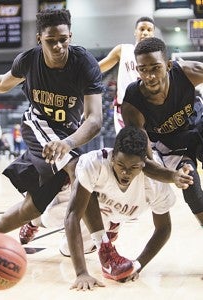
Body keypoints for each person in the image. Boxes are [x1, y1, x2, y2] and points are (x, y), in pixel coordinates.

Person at [0, 9, 104, 260]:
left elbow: (95, 119)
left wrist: (68, 141)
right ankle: (106, 250)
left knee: (32, 207)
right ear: (40, 39)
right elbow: (0, 83)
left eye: (64, 39)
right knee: (79, 169)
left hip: (66, 137)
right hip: (37, 124)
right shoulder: (29, 60)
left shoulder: (84, 63)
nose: (59, 46)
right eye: (51, 40)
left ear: (70, 35)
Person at [64, 126, 193, 290]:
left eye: (133, 168)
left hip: (126, 211)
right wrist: (81, 272)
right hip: (96, 213)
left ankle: (106, 243)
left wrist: (138, 265)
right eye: (120, 164)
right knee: (65, 246)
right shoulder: (94, 163)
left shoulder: (155, 184)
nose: (125, 172)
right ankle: (36, 222)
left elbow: (164, 228)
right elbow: (72, 216)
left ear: (143, 165)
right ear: (112, 157)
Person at [121, 37, 203, 226]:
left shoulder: (187, 72)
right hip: (170, 145)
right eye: (143, 69)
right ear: (137, 69)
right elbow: (144, 160)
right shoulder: (132, 105)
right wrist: (172, 176)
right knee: (191, 187)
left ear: (168, 65)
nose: (149, 76)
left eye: (155, 68)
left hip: (197, 122)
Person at [99, 17, 155, 134]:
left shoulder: (157, 57)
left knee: (149, 146)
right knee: (128, 145)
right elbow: (98, 68)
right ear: (135, 32)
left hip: (149, 108)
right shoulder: (123, 50)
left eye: (149, 30)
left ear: (153, 34)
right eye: (142, 29)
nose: (145, 32)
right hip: (125, 108)